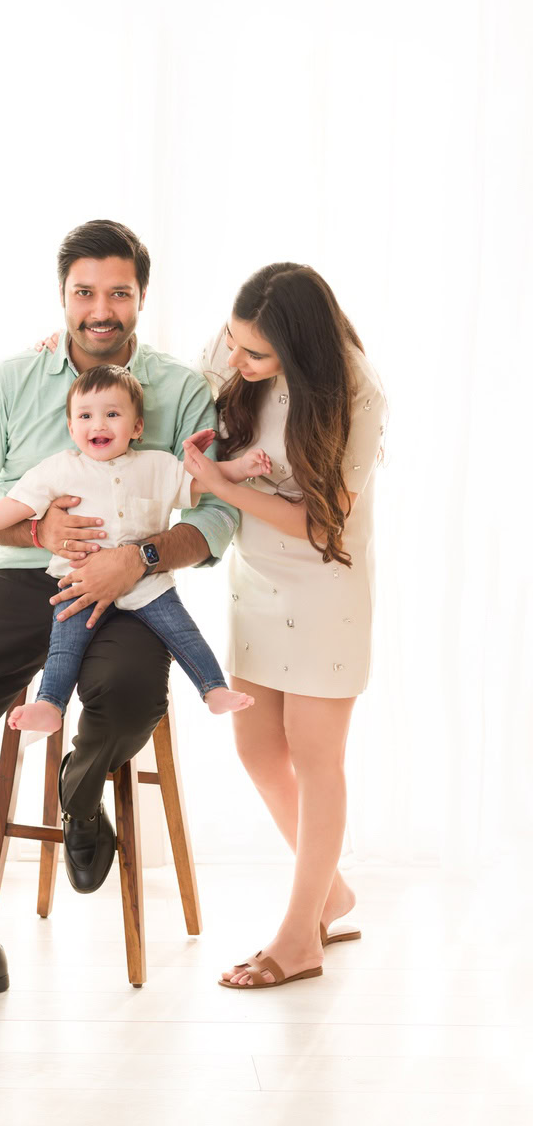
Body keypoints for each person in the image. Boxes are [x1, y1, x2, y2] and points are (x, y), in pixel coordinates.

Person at [0, 220, 240, 1017]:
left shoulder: (178, 391)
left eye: (118, 292)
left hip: (133, 594)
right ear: (63, 296)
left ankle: (78, 792)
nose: (100, 309)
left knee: (129, 696)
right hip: (18, 583)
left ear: (143, 296)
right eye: (85, 292)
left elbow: (215, 519)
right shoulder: (11, 380)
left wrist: (137, 559)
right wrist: (36, 531)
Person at [185, 262, 387, 989]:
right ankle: (329, 892)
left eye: (254, 356)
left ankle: (301, 934)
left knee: (314, 755)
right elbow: (182, 380)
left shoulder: (356, 394)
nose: (233, 363)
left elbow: (322, 519)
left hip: (324, 583)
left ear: (300, 352)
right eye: (234, 345)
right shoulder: (241, 343)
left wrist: (216, 483)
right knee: (255, 746)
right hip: (256, 580)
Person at [0, 363, 268, 729]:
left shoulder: (158, 466)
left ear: (137, 427)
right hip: (80, 582)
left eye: (112, 414)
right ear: (71, 427)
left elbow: (207, 481)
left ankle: (213, 690)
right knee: (66, 641)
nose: (98, 425)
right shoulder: (57, 470)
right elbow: (11, 508)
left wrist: (242, 467)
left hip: (146, 583)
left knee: (183, 631)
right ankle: (50, 705)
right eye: (85, 416)